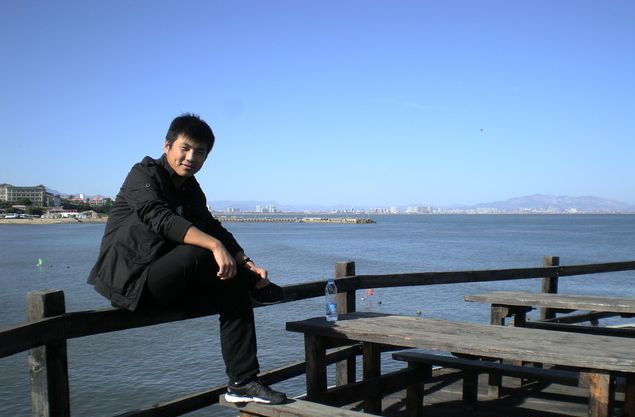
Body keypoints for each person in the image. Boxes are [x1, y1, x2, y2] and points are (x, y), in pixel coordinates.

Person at [87, 113, 287, 405]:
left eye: (200, 152)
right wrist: (215, 246)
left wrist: (245, 262)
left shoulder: (191, 188)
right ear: (167, 145)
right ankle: (255, 286)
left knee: (232, 286)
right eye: (185, 148)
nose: (191, 157)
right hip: (132, 284)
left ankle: (242, 382)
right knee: (203, 251)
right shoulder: (143, 175)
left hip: (168, 279)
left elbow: (212, 226)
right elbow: (160, 218)